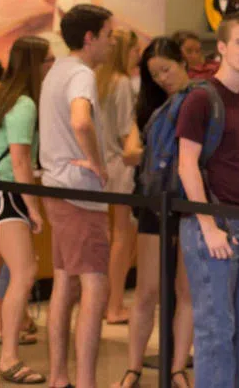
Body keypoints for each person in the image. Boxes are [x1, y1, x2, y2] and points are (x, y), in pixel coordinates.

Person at [176, 11, 239, 388]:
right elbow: (187, 166)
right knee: (216, 331)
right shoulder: (201, 99)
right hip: (211, 226)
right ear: (221, 47)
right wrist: (208, 225)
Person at [112, 37, 194, 388]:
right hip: (153, 202)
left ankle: (177, 367)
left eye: (166, 69)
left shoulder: (199, 100)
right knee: (146, 290)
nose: (161, 78)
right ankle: (133, 367)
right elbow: (130, 150)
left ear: (182, 63)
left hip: (190, 204)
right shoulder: (150, 107)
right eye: (154, 73)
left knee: (186, 292)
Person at [39, 3, 113, 388]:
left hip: (56, 188)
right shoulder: (81, 74)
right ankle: (83, 381)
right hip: (79, 195)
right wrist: (97, 163)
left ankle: (60, 376)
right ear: (91, 37)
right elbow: (80, 120)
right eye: (108, 35)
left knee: (65, 281)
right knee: (94, 284)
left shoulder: (55, 72)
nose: (111, 43)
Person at [0, 36, 53, 384]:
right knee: (23, 272)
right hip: (6, 194)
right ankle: (8, 357)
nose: (52, 65)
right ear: (36, 64)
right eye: (48, 59)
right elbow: (20, 160)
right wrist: (34, 209)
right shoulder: (24, 104)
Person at [96, 28, 144, 325]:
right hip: (120, 169)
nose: (139, 54)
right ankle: (114, 305)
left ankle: (106, 302)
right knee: (121, 239)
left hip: (100, 169)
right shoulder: (123, 83)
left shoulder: (98, 81)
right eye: (135, 49)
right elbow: (128, 132)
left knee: (109, 238)